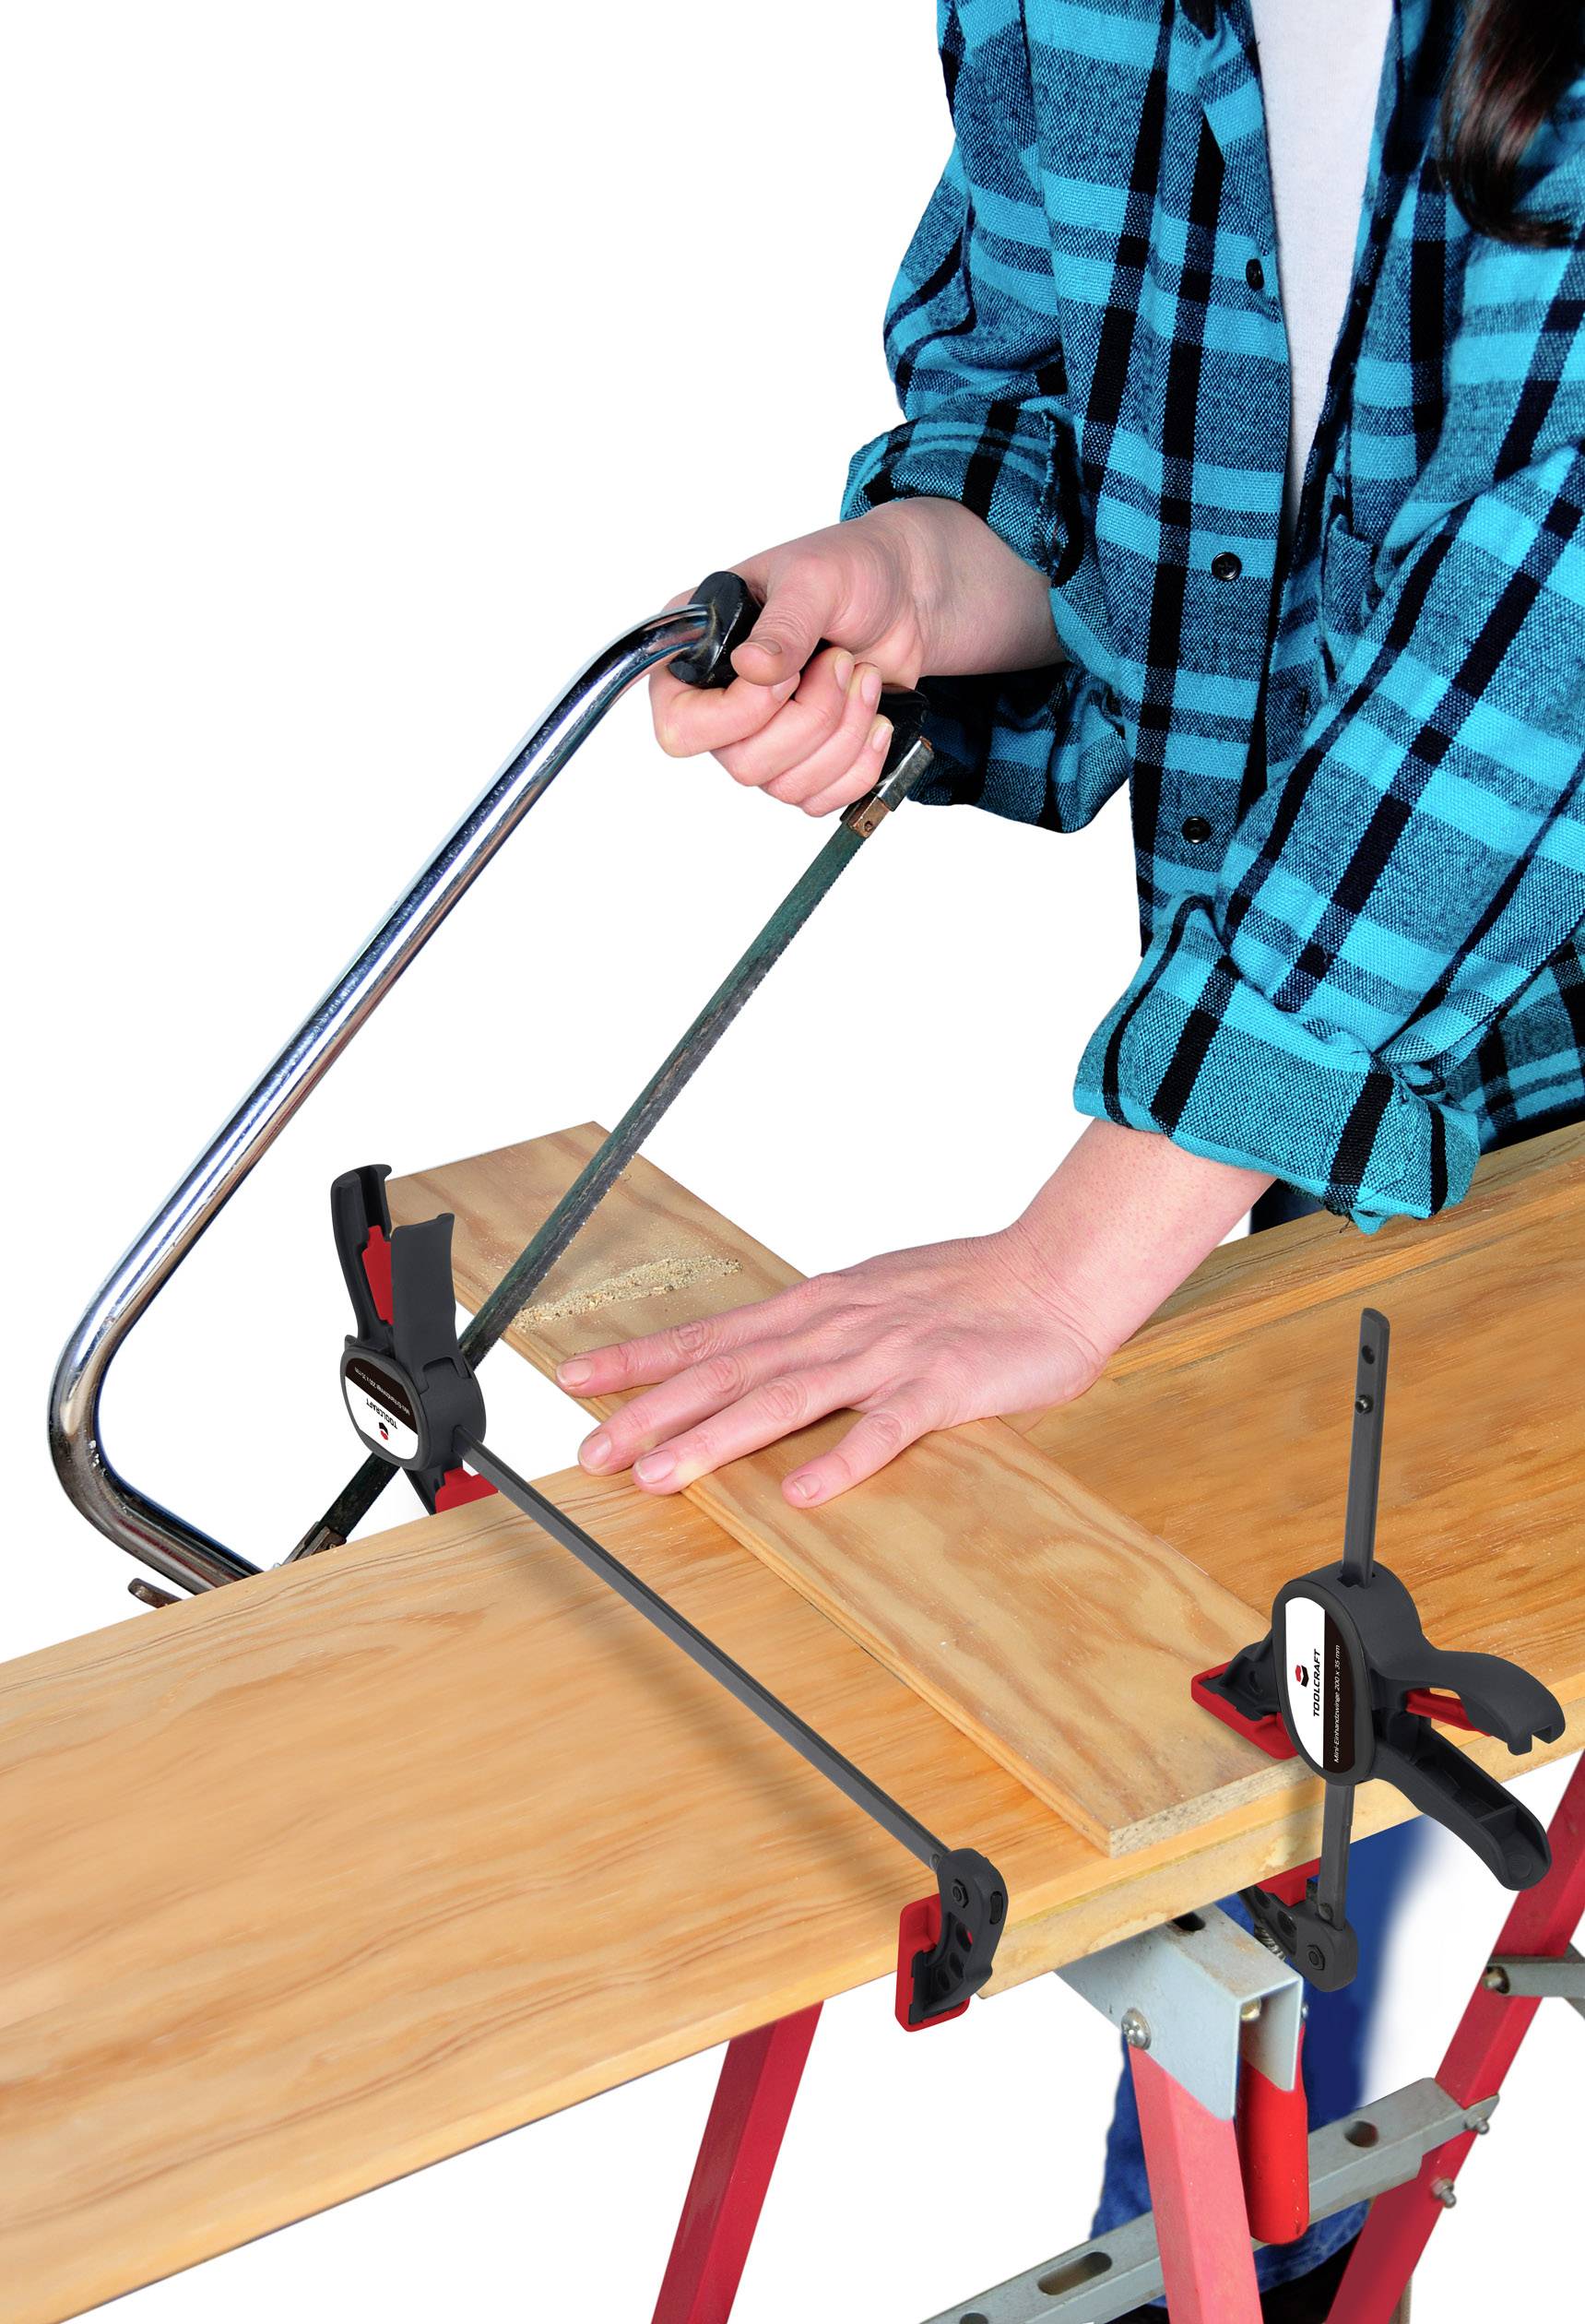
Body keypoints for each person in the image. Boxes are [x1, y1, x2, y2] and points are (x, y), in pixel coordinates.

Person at [554, 3, 1585, 2311]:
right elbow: (1067, 399)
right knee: (1283, 1788)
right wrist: (922, 578)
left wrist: (1091, 1234)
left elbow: (1553, 618)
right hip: (1353, 1118)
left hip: (1410, 1069)